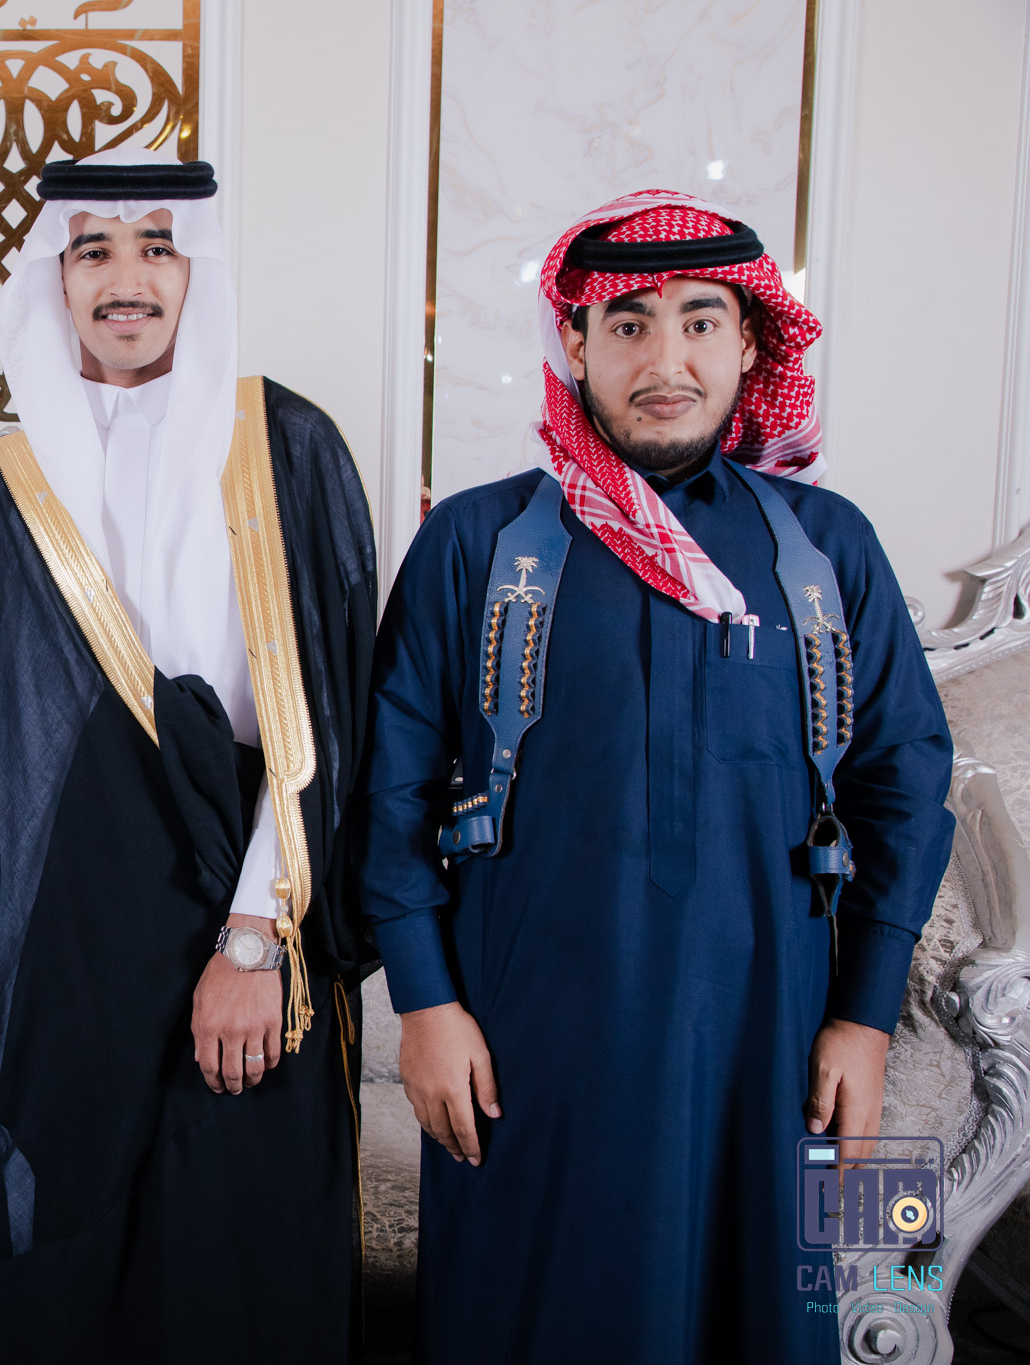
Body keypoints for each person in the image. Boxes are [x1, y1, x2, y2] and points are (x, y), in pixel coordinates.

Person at [356, 190, 955, 1361]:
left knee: (786, 1316)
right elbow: (389, 791)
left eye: (698, 321)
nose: (664, 359)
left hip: (778, 1040)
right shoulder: (474, 542)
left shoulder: (824, 546)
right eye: (627, 324)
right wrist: (422, 1005)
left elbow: (903, 786)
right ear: (573, 343)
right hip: (522, 1043)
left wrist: (864, 1018)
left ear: (751, 343)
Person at [0, 149, 379, 1363]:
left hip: (246, 910)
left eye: (157, 247)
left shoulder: (287, 444)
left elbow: (329, 718)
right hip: (63, 935)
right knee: (67, 1273)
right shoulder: (4, 480)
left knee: (238, 1251)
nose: (126, 278)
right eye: (93, 251)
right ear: (55, 277)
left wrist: (253, 938)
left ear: (195, 270)